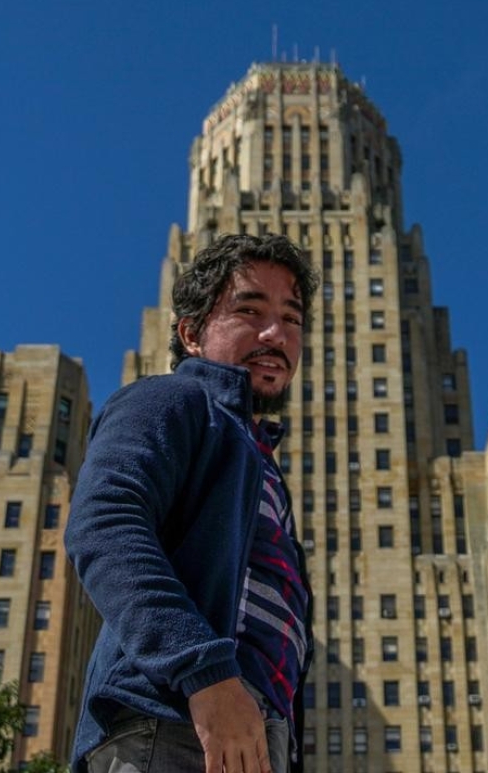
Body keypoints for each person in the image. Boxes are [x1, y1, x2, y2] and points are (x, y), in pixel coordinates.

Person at [64, 233, 320, 773]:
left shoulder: (256, 458)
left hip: (252, 735)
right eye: (249, 311)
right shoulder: (172, 399)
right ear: (192, 333)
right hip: (174, 725)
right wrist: (206, 676)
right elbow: (104, 524)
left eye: (292, 319)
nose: (275, 334)